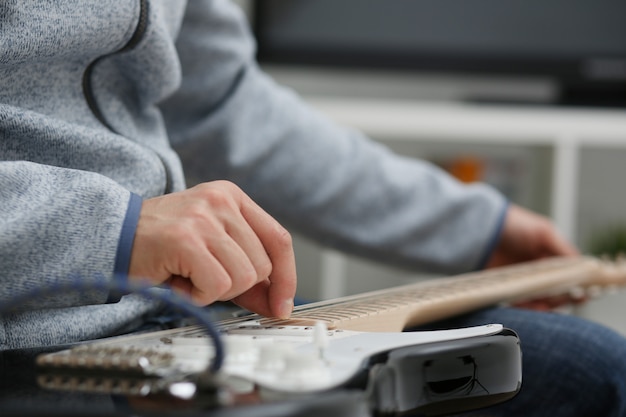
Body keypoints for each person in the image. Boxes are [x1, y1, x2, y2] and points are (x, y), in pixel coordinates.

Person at [0, 1, 625, 416]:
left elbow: (222, 106)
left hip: (164, 328)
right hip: (26, 347)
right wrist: (112, 229)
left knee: (588, 369)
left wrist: (479, 230)